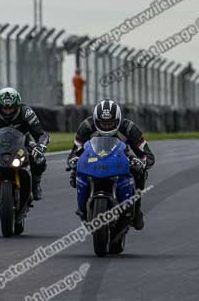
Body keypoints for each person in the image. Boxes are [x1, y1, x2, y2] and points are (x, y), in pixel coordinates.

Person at [66, 99, 155, 230]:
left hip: (123, 158)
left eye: (110, 123)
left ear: (118, 120)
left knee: (140, 172)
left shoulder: (129, 128)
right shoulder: (86, 127)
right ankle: (83, 207)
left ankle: (136, 208)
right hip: (94, 160)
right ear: (96, 121)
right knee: (76, 172)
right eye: (103, 123)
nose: (107, 126)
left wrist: (142, 162)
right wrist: (73, 160)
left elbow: (148, 155)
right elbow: (74, 152)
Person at [0, 87, 50, 201]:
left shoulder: (26, 112)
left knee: (39, 159)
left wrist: (40, 146)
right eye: (4, 108)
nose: (8, 111)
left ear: (17, 105)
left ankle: (36, 186)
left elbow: (41, 134)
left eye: (11, 108)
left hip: (23, 144)